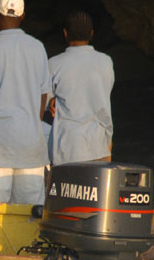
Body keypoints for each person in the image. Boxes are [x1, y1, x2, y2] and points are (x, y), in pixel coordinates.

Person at [0, 0, 51, 205]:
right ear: (23, 16)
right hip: (31, 144)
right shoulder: (38, 48)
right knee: (29, 217)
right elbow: (43, 100)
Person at [48, 11, 114, 165]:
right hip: (100, 144)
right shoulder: (106, 61)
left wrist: (52, 101)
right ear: (92, 34)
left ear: (65, 34)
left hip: (68, 146)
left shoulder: (54, 63)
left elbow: (44, 103)